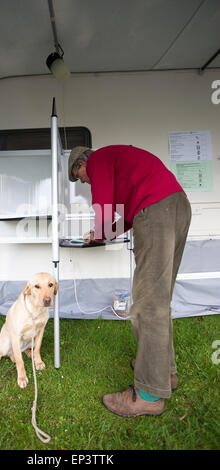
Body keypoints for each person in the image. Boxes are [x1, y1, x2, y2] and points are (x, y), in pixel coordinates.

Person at [68, 145, 192, 417]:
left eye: (79, 175)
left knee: (147, 306)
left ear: (82, 161)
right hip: (177, 206)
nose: (84, 181)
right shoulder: (120, 162)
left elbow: (103, 204)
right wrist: (102, 233)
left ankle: (148, 394)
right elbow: (125, 218)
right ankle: (164, 373)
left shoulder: (98, 158)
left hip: (156, 211)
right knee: (160, 301)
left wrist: (99, 233)